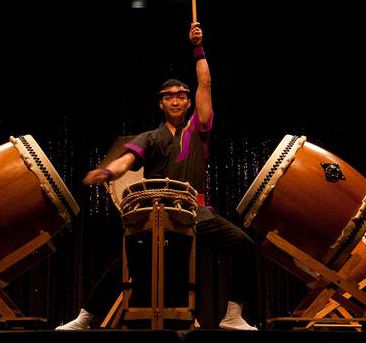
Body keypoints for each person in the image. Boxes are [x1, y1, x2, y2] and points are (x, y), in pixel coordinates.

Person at [56, 22, 257, 331]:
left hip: (194, 212)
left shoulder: (198, 131)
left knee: (243, 244)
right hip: (156, 215)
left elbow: (206, 84)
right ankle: (84, 318)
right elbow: (126, 161)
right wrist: (108, 171)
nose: (176, 100)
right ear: (161, 103)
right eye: (169, 97)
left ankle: (232, 315)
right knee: (124, 264)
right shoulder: (150, 137)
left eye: (181, 96)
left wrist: (198, 47)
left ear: (188, 102)